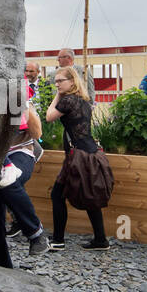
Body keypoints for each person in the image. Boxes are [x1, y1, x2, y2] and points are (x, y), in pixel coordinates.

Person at [0, 81, 49, 266]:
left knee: (7, 181)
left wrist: (24, 106)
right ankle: (3, 271)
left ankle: (36, 233)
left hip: (20, 153)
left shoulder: (18, 96)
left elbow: (36, 133)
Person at [45, 66, 110, 251]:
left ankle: (58, 241)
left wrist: (58, 96)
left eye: (60, 81)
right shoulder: (83, 100)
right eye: (56, 81)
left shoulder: (68, 101)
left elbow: (49, 116)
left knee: (57, 195)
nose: (56, 84)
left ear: (72, 81)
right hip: (91, 154)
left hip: (78, 157)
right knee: (91, 197)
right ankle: (100, 240)